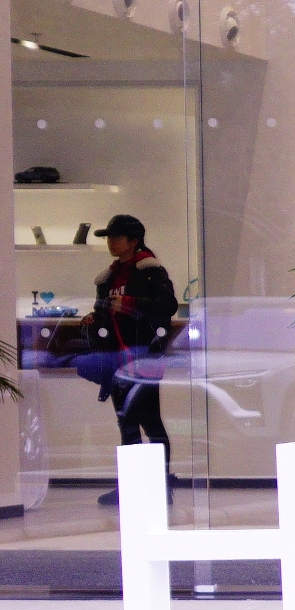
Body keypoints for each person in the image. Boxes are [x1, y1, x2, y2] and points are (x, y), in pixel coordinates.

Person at [73, 213, 177, 506]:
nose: (111, 242)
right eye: (109, 237)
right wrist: (95, 318)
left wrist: (131, 303)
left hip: (144, 356)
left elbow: (167, 306)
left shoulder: (150, 271)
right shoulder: (108, 278)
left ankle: (159, 486)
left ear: (133, 241)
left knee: (149, 420)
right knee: (127, 422)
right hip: (117, 359)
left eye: (116, 237)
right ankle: (133, 488)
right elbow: (105, 312)